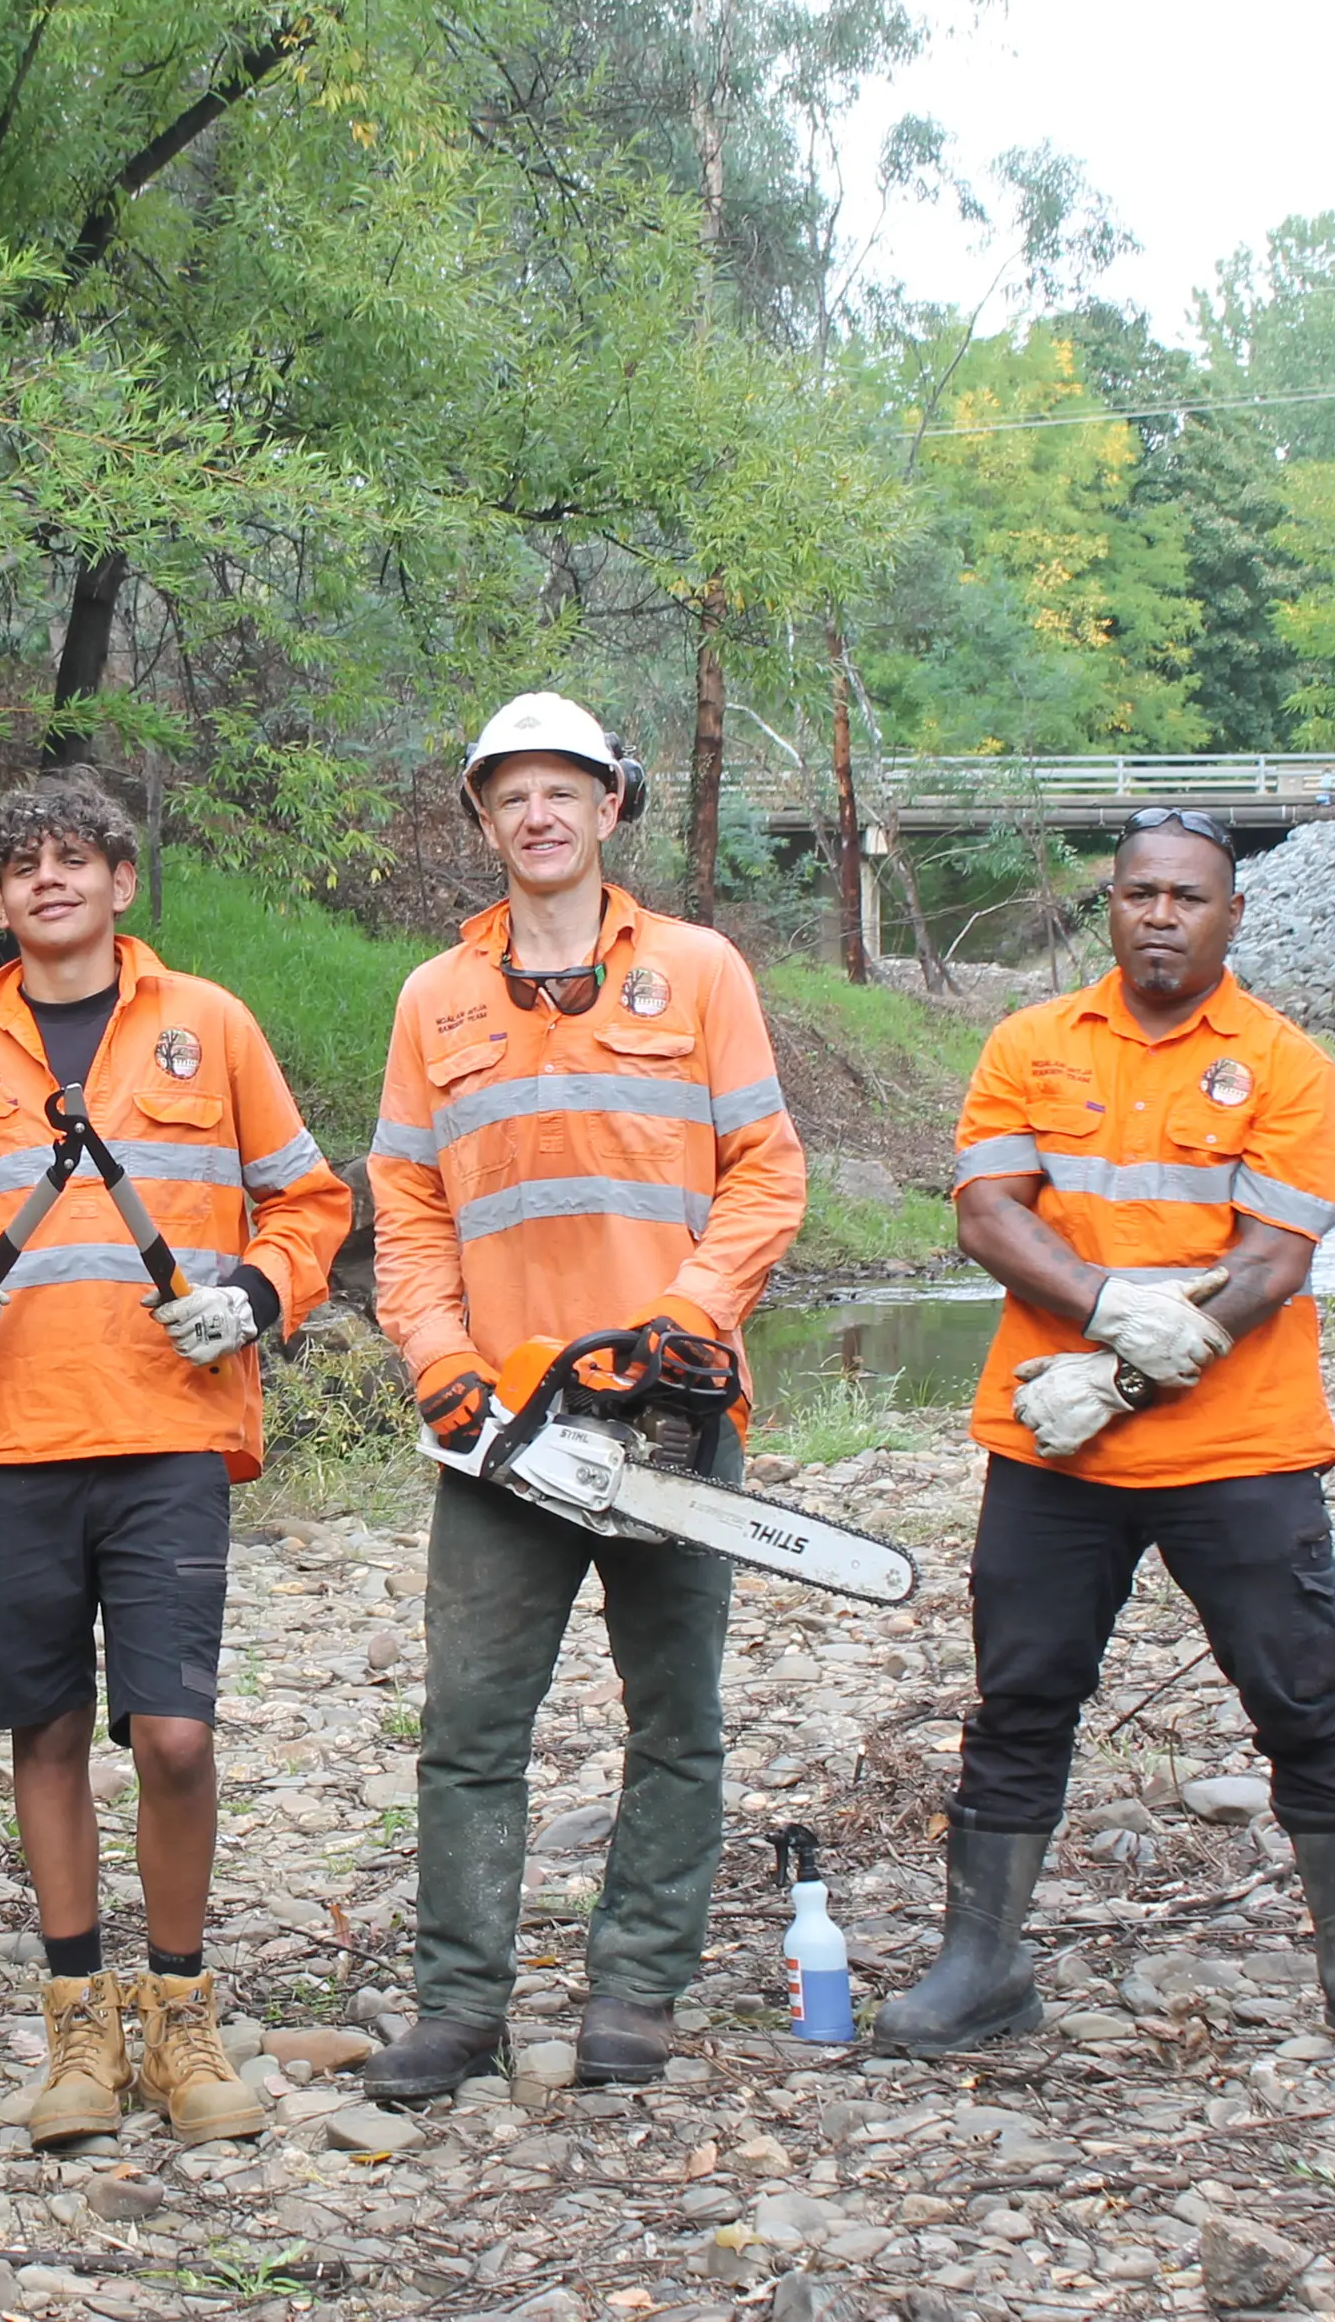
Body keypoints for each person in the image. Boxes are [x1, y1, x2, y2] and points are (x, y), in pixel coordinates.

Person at [877, 809, 1335, 2055]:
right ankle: (981, 1966)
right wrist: (1104, 1303)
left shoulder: (1285, 1065)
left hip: (1241, 1449)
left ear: (1232, 914)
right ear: (1112, 905)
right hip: (1048, 1451)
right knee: (1020, 1698)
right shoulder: (1031, 1042)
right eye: (1141, 893)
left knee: (1301, 1694)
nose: (1163, 914)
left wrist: (1119, 1378)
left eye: (1190, 896)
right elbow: (987, 1214)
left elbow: (1274, 1259)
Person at [0, 777, 349, 2144]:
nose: (49, 883)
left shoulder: (209, 1025)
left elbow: (312, 1200)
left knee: (175, 1733)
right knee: (43, 1731)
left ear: (122, 882)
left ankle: (183, 2018)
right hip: (9, 1439)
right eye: (21, 866)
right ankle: (79, 2028)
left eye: (74, 860)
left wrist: (260, 1296)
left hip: (169, 1434)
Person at [360, 692, 809, 2100]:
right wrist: (437, 1363)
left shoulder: (699, 969)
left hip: (670, 1410)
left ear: (611, 806)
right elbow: (408, 1204)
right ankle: (460, 2004)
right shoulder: (436, 998)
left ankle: (638, 1990)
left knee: (673, 1718)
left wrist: (687, 1316)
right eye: (513, 795)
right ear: (485, 822)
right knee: (472, 1728)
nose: (539, 815)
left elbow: (767, 1174)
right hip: (503, 1429)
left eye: (565, 790)